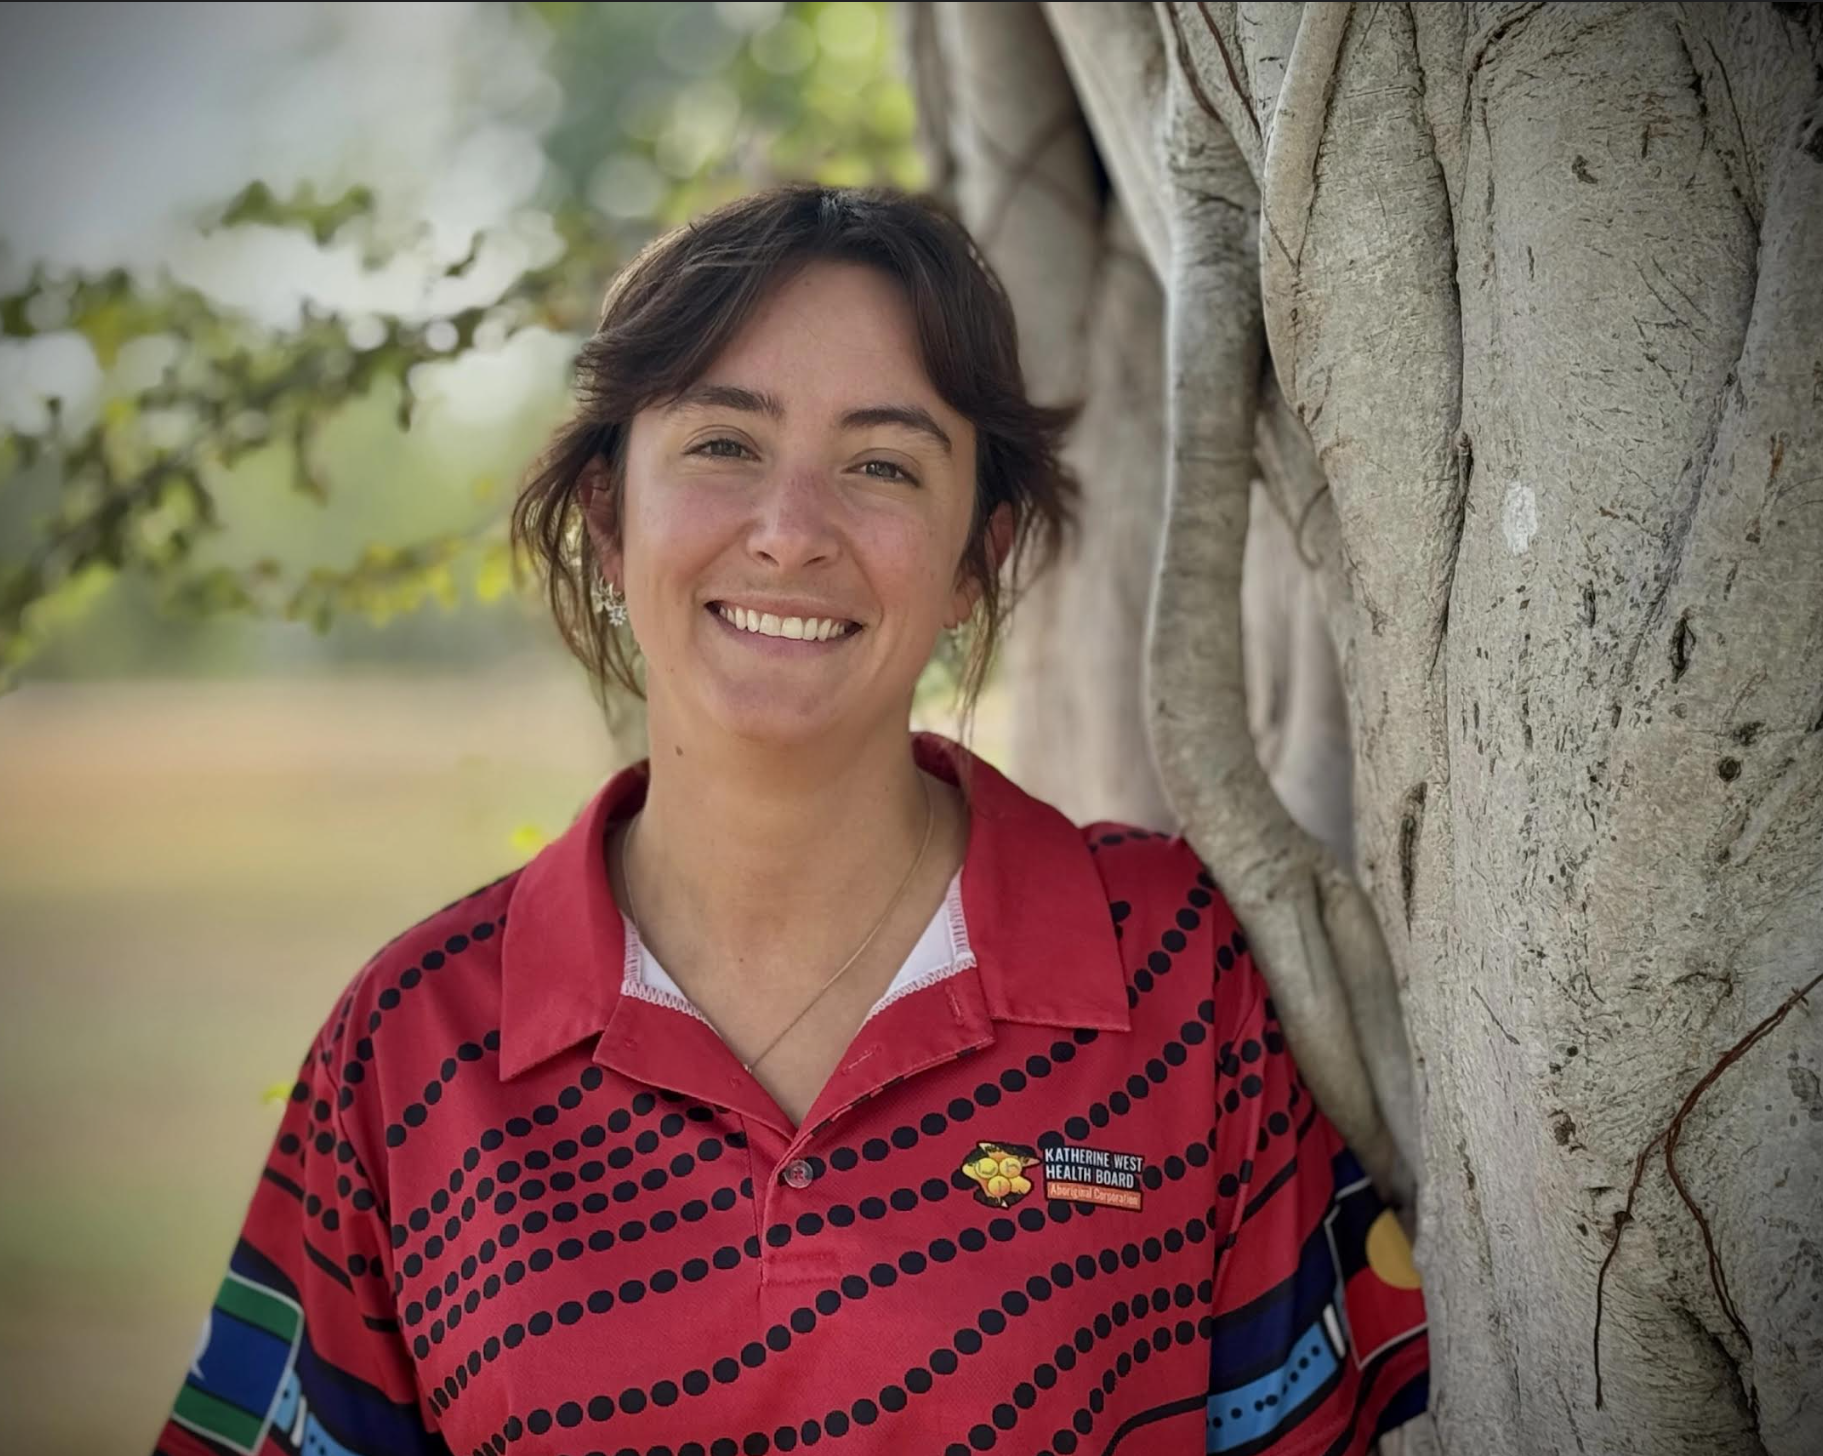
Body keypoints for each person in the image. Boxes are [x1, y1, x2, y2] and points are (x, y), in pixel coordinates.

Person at [154, 184, 1428, 1456]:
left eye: (881, 465)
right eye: (724, 445)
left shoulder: (1172, 971)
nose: (790, 534)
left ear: (974, 561)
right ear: (607, 516)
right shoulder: (415, 1038)